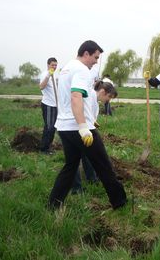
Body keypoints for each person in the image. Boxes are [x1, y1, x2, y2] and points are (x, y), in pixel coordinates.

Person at [48, 40, 127, 210]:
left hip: (64, 127)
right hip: (78, 128)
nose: (96, 62)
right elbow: (76, 96)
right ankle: (120, 202)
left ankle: (53, 204)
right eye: (95, 57)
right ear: (86, 54)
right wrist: (83, 127)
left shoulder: (67, 68)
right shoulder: (82, 70)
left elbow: (80, 97)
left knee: (70, 167)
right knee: (103, 165)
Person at [72, 81, 118, 194]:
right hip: (78, 129)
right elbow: (81, 110)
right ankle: (76, 188)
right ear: (102, 92)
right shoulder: (90, 96)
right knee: (74, 160)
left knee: (87, 155)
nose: (109, 100)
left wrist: (93, 121)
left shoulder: (95, 101)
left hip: (86, 129)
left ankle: (91, 179)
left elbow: (89, 114)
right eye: (109, 97)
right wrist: (87, 126)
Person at [39, 57, 58, 154]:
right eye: (52, 65)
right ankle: (44, 149)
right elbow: (41, 86)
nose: (54, 67)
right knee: (49, 127)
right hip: (48, 105)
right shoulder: (45, 74)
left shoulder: (54, 75)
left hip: (55, 105)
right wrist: (48, 76)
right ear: (48, 65)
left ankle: (48, 147)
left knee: (53, 127)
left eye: (55, 65)